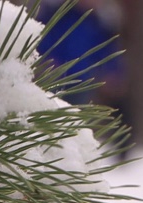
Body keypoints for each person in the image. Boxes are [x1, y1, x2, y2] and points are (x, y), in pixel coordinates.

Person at [36, 0, 131, 154]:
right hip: (55, 79)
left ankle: (70, 158)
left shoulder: (97, 21)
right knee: (52, 118)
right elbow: (43, 36)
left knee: (75, 123)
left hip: (83, 82)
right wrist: (48, 58)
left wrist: (114, 71)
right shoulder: (59, 14)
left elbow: (106, 49)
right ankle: (48, 153)